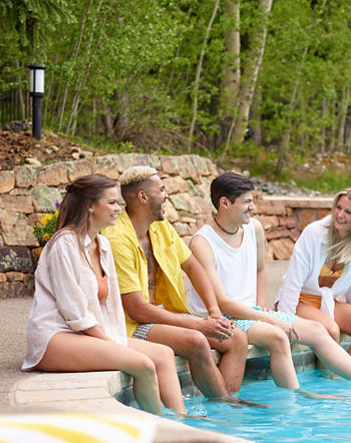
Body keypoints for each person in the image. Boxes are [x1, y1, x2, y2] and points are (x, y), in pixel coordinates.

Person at [188, 171, 351, 392]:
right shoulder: (202, 243)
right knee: (279, 335)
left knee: (318, 330)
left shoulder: (254, 229)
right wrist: (271, 317)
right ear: (225, 203)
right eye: (248, 201)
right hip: (225, 318)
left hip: (253, 312)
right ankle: (300, 397)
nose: (253, 207)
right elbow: (223, 303)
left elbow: (260, 270)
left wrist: (260, 306)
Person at [22, 173, 183, 415]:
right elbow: (73, 312)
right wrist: (114, 345)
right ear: (90, 206)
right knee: (143, 365)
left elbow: (112, 309)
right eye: (113, 202)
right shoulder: (64, 244)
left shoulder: (103, 245)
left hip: (91, 335)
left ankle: (182, 423)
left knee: (163, 354)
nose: (120, 208)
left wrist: (116, 339)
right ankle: (161, 430)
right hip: (57, 336)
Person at [103, 165, 251, 403]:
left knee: (236, 338)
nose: (167, 194)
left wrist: (214, 313)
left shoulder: (160, 226)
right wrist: (196, 325)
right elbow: (136, 309)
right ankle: (227, 407)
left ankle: (222, 404)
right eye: (161, 189)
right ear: (143, 197)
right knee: (196, 340)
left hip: (165, 316)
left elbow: (193, 267)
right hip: (133, 325)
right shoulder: (117, 239)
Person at [275, 187, 351, 367]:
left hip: (326, 301)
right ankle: (326, 387)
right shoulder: (314, 232)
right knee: (330, 330)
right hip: (299, 300)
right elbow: (293, 280)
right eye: (338, 208)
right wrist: (285, 320)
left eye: (348, 212)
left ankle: (350, 386)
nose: (339, 215)